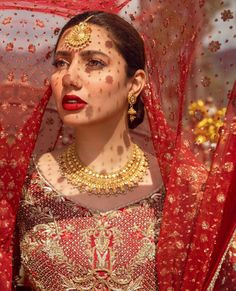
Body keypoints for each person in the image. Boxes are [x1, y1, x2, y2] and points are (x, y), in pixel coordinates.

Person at [0, 3, 235, 291]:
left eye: (94, 62)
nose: (70, 78)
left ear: (135, 84)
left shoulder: (184, 192)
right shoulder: (20, 186)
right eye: (61, 62)